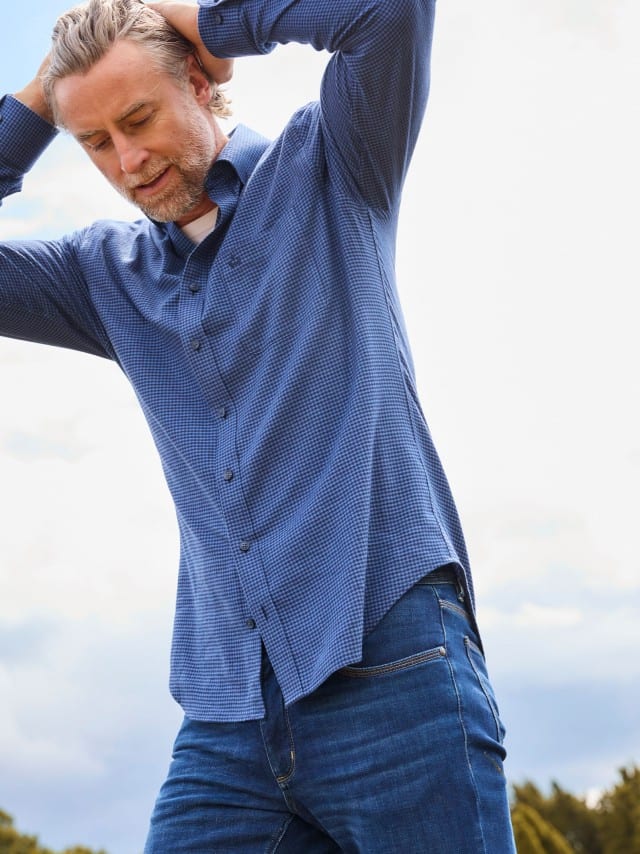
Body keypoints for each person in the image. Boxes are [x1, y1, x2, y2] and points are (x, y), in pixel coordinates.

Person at [0, 0, 516, 850]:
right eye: (95, 143)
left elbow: (388, 12)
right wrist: (47, 91)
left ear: (201, 85)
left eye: (138, 119)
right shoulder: (101, 277)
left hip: (391, 663)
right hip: (228, 715)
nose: (128, 162)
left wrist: (200, 19)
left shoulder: (333, 169)